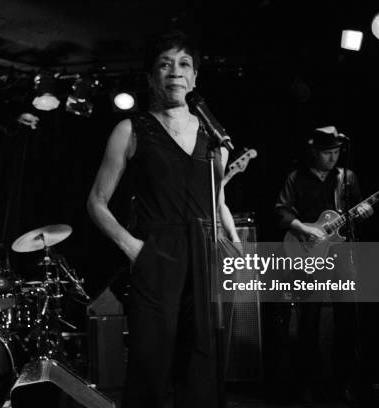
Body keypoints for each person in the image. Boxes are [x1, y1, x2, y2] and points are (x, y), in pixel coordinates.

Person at [87, 31, 240, 408]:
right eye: (165, 64)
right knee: (151, 364)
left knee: (201, 362)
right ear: (152, 77)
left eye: (184, 64)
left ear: (195, 78)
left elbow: (217, 198)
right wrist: (134, 248)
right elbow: (96, 201)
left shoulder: (211, 134)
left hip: (204, 254)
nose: (175, 71)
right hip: (158, 252)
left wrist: (234, 243)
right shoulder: (132, 129)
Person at [275, 126, 373, 404]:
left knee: (348, 317)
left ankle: (344, 382)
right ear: (314, 152)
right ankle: (308, 384)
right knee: (309, 319)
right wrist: (302, 230)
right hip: (307, 255)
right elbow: (281, 210)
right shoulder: (296, 178)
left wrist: (365, 212)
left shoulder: (347, 178)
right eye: (327, 153)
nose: (333, 158)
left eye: (336, 152)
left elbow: (355, 213)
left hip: (340, 254)